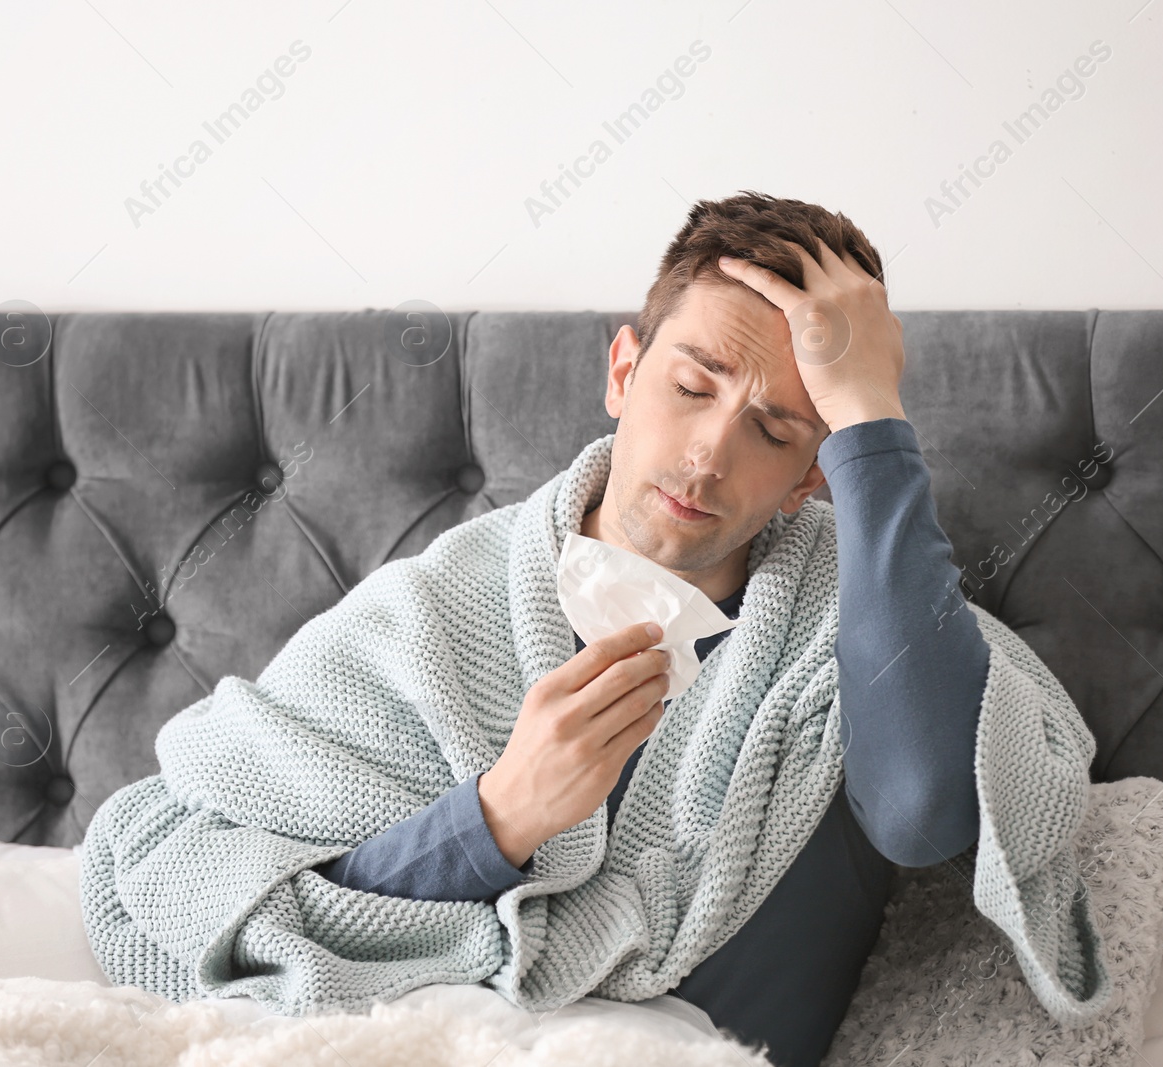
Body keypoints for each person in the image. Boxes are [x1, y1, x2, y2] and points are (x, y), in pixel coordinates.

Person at [308, 191, 992, 1067]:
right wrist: (500, 816)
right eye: (691, 387)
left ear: (811, 479)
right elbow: (264, 912)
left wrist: (870, 419)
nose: (709, 455)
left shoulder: (860, 620)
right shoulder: (432, 608)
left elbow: (926, 814)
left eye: (773, 430)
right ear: (624, 371)